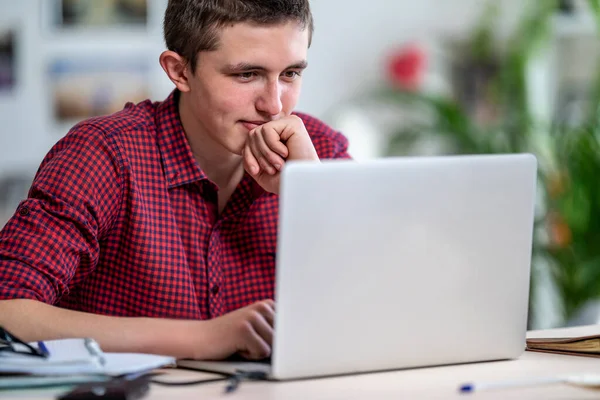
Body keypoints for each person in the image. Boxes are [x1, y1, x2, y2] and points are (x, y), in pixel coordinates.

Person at [0, 0, 350, 360]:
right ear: (179, 71)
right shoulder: (104, 155)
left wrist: (311, 196)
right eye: (246, 75)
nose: (274, 105)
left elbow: (383, 300)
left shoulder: (319, 149)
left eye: (291, 73)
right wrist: (205, 338)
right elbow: (7, 309)